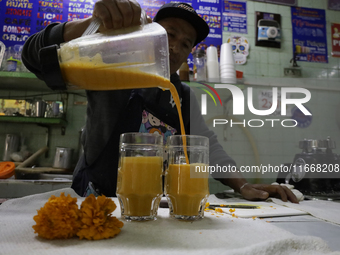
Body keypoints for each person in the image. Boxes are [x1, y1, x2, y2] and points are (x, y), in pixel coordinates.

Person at [22, 0, 298, 203]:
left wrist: (244, 185)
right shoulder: (111, 70)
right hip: (96, 202)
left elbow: (207, 145)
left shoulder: (182, 95)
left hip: (150, 208)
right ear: (150, 32)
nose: (176, 46)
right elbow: (33, 56)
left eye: (186, 43)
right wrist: (91, 25)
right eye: (170, 34)